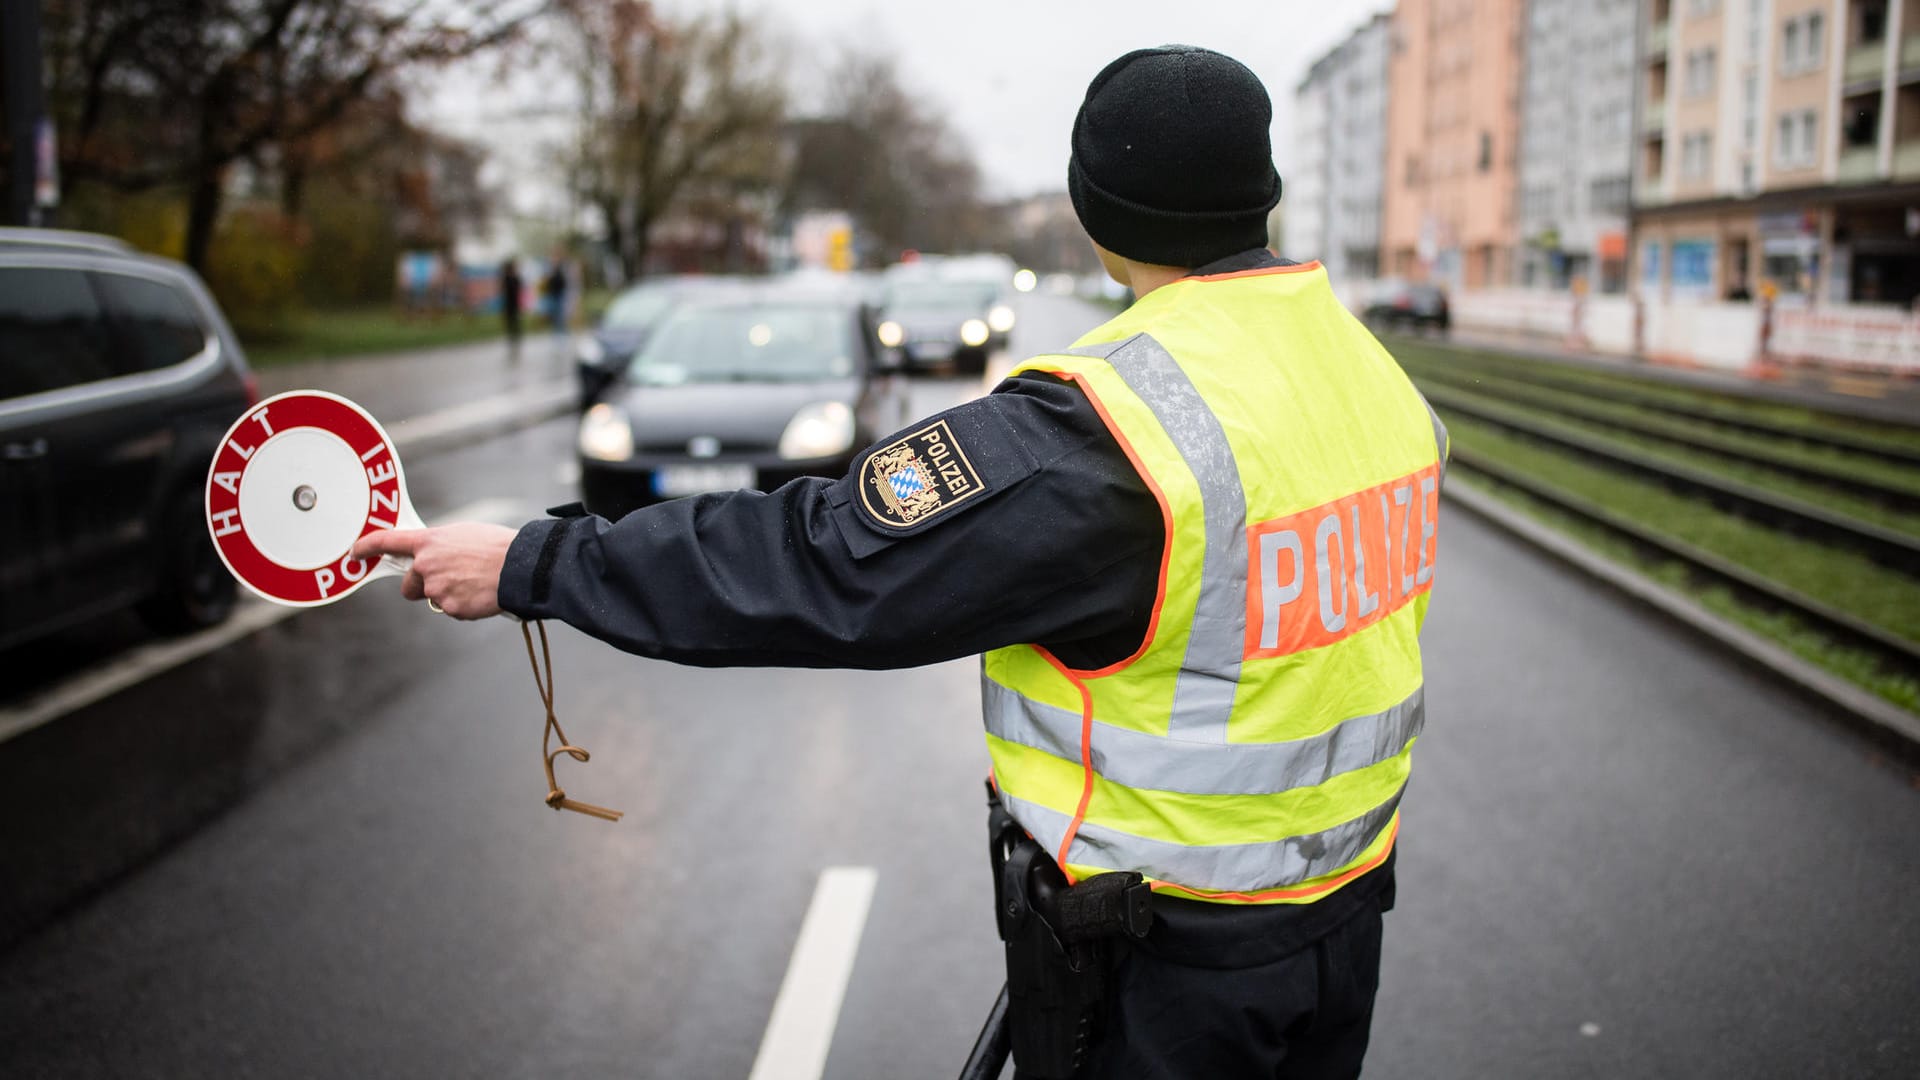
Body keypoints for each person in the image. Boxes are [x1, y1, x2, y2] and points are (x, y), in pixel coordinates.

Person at [354, 45, 1446, 1080]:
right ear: (1263, 196)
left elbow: (825, 561)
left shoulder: (1111, 427)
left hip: (1166, 965)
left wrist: (532, 562)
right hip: (1339, 931)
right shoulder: (1365, 371)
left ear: (1097, 214)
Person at [498, 257, 524, 348]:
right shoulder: (508, 278)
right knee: (512, 322)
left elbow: (519, 288)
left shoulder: (513, 278)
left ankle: (515, 338)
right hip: (510, 303)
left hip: (512, 303)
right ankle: (512, 338)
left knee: (514, 322)